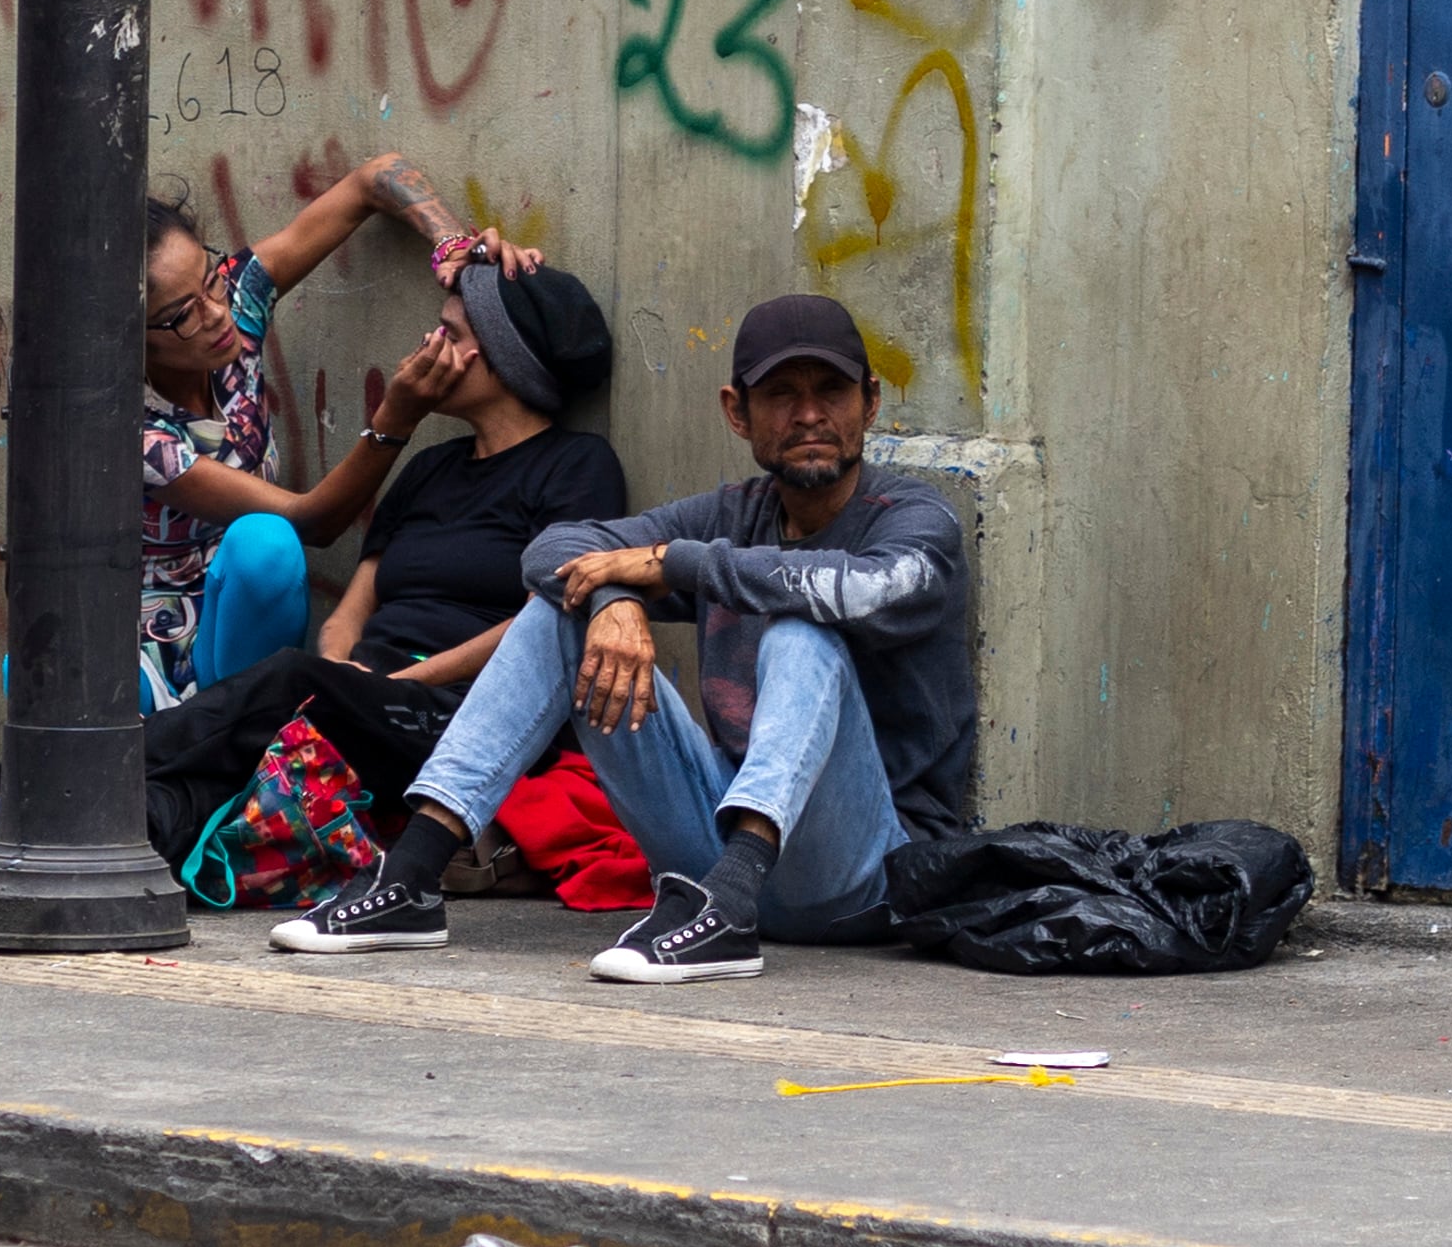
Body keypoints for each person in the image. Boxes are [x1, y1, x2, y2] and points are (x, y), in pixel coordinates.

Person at [269, 294, 973, 978]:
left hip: (861, 875)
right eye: (782, 394)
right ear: (738, 412)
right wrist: (613, 598)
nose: (811, 413)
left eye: (833, 390)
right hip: (718, 854)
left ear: (871, 403)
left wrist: (673, 563)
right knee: (561, 607)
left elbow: (865, 587)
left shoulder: (915, 519)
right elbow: (552, 550)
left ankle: (728, 907)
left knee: (801, 630)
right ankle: (413, 876)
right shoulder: (734, 511)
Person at [141, 255, 624, 869]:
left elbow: (546, 622)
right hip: (363, 695)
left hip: (455, 708)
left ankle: (57, 782)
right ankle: (48, 830)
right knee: (218, 777)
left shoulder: (578, 467)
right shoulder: (429, 469)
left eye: (450, 334)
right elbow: (351, 610)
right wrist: (342, 670)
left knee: (289, 681)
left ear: (500, 359)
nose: (429, 343)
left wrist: (394, 685)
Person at [139, 155, 538, 707]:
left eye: (212, 281)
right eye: (183, 314)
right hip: (152, 653)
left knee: (261, 553)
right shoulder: (134, 432)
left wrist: (455, 250)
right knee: (268, 542)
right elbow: (314, 521)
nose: (215, 314)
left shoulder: (236, 303)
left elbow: (374, 179)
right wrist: (394, 419)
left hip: (241, 630)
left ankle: (240, 732)